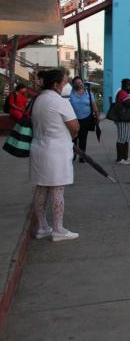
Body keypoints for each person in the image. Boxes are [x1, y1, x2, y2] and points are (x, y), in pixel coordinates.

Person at [29, 69, 80, 242]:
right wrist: (70, 138)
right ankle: (58, 229)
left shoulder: (38, 99)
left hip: (38, 148)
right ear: (56, 85)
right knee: (57, 189)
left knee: (41, 188)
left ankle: (43, 226)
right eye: (65, 82)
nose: (67, 85)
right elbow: (75, 127)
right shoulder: (60, 102)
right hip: (56, 150)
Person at [68, 76, 98, 162]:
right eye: (76, 83)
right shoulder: (71, 94)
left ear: (82, 83)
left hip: (86, 118)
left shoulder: (88, 93)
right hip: (73, 119)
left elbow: (93, 104)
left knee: (83, 137)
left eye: (80, 82)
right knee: (73, 138)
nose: (79, 84)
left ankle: (82, 156)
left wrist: (97, 114)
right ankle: (73, 154)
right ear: (73, 84)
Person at [114, 78, 130, 164]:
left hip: (126, 119)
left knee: (126, 138)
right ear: (127, 86)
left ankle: (125, 158)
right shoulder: (122, 93)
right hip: (122, 119)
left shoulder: (125, 93)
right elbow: (129, 103)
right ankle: (120, 159)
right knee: (121, 138)